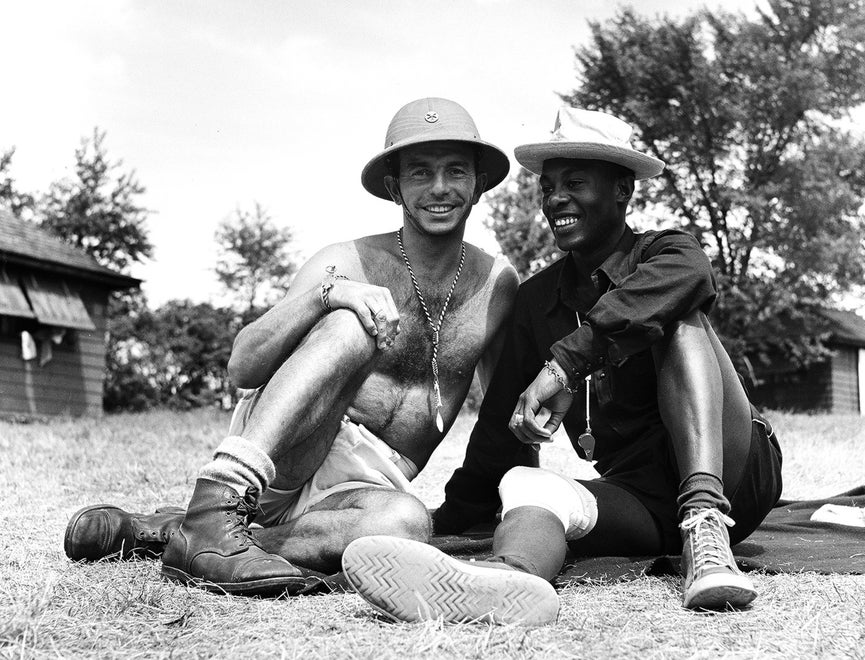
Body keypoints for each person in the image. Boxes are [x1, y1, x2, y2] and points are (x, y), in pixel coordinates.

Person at [341, 106, 783, 625]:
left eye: (575, 182)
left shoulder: (665, 253)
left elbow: (690, 278)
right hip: (640, 495)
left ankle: (704, 526)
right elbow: (501, 425)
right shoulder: (536, 301)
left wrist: (565, 365)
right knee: (530, 487)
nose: (556, 200)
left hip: (735, 473)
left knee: (679, 320)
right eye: (548, 187)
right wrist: (451, 516)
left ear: (623, 191)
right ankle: (509, 581)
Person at [63, 97, 520, 597]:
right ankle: (218, 503)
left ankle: (188, 536)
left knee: (407, 525)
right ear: (394, 188)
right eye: (419, 173)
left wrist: (519, 511)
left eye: (456, 170)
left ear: (479, 183)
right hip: (290, 452)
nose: (439, 188)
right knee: (352, 324)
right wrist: (327, 297)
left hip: (363, 489)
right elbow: (243, 365)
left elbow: (502, 412)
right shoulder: (344, 261)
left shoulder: (497, 284)